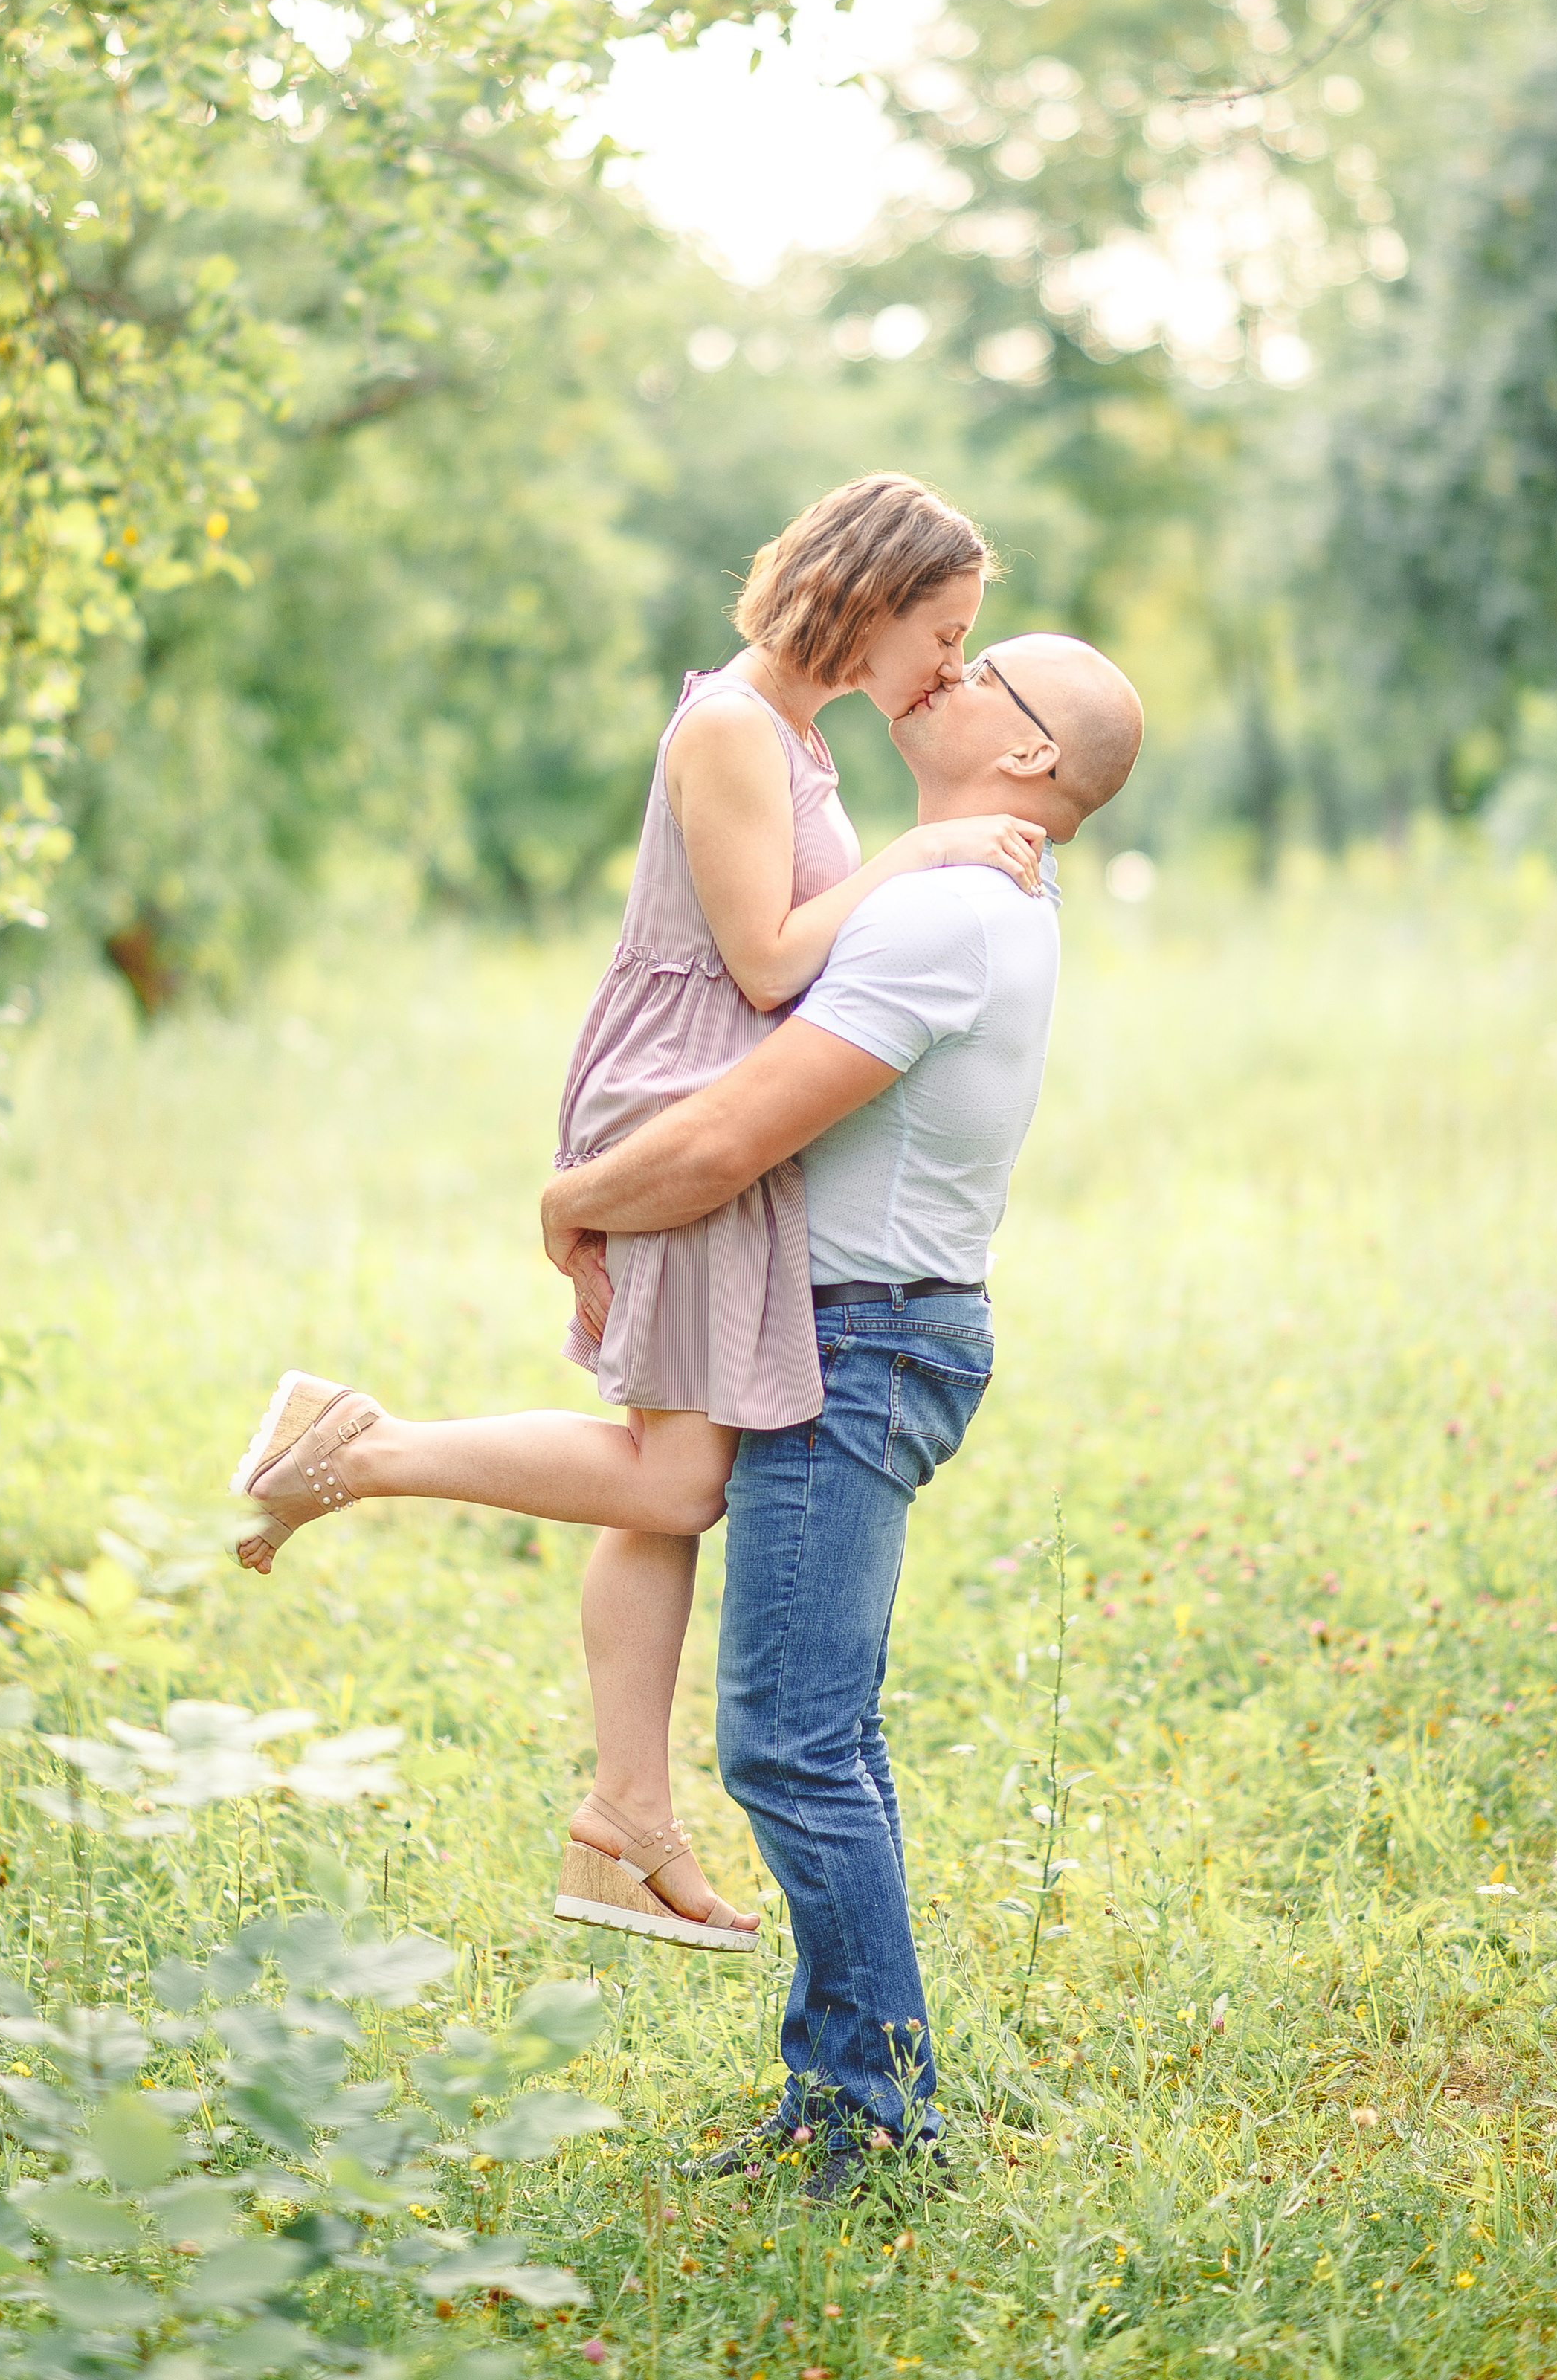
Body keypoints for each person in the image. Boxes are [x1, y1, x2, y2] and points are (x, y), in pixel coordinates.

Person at [230, 474, 1046, 1952]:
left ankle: (623, 1821)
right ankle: (354, 1447)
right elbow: (764, 961)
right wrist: (916, 857)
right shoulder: (734, 725)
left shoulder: (792, 735)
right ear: (865, 598)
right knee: (675, 1479)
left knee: (666, 1467)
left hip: (704, 1106)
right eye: (943, 631)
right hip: (678, 1107)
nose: (945, 668)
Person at [538, 631, 1144, 2195]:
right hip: (867, 1329)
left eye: (979, 669)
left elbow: (733, 1133)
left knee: (793, 1749)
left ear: (1026, 757)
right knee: (815, 1736)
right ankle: (844, 2092)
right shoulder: (949, 883)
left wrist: (574, 1195)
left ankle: (872, 2123)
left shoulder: (949, 909)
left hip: (859, 1342)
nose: (941, 674)